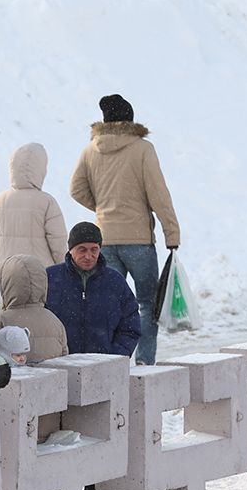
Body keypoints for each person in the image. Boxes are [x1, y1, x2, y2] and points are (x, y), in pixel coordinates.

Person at [68, 94, 180, 364]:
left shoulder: (90, 150)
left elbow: (76, 189)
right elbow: (159, 195)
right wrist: (172, 233)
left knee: (108, 302)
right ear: (129, 119)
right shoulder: (142, 149)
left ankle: (110, 360)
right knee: (146, 303)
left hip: (104, 240)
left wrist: (103, 207)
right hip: (138, 240)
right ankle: (143, 359)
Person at [45, 221, 141, 357]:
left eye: (94, 249)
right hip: (60, 364)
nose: (88, 256)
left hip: (104, 366)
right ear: (70, 250)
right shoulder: (50, 278)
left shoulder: (115, 281)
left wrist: (116, 355)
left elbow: (131, 324)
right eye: (82, 249)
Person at [0, 142, 69, 271]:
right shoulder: (47, 202)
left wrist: (3, 262)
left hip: (9, 273)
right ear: (40, 170)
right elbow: (58, 243)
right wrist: (61, 268)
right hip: (43, 274)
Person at [0, 254, 68, 364]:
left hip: (18, 379)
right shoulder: (54, 320)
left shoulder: (2, 320)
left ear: (6, 284)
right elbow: (64, 355)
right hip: (53, 378)